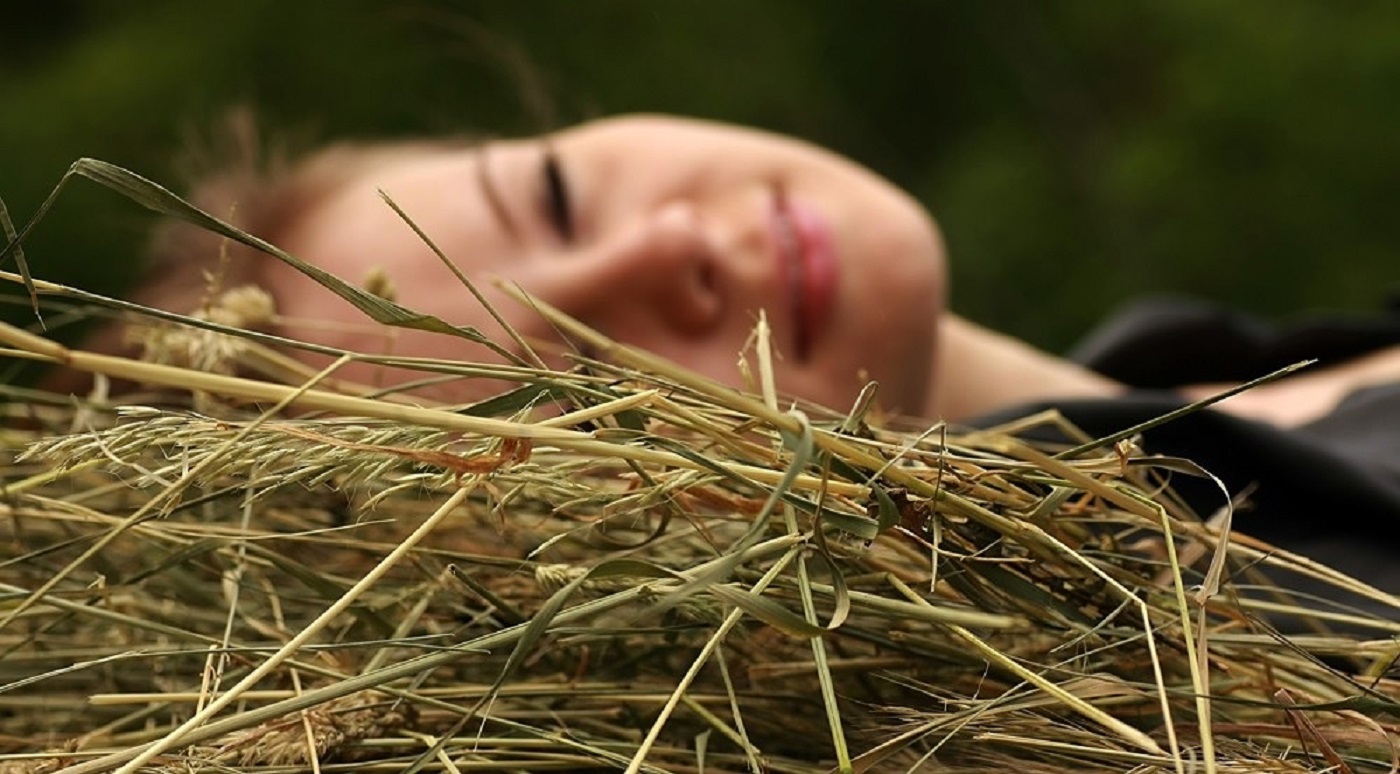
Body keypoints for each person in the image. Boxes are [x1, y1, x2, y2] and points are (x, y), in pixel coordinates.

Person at [90, 113, 1400, 594]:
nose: (660, 248)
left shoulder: (1236, 367)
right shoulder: (1261, 665)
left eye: (551, 193)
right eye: (580, 389)